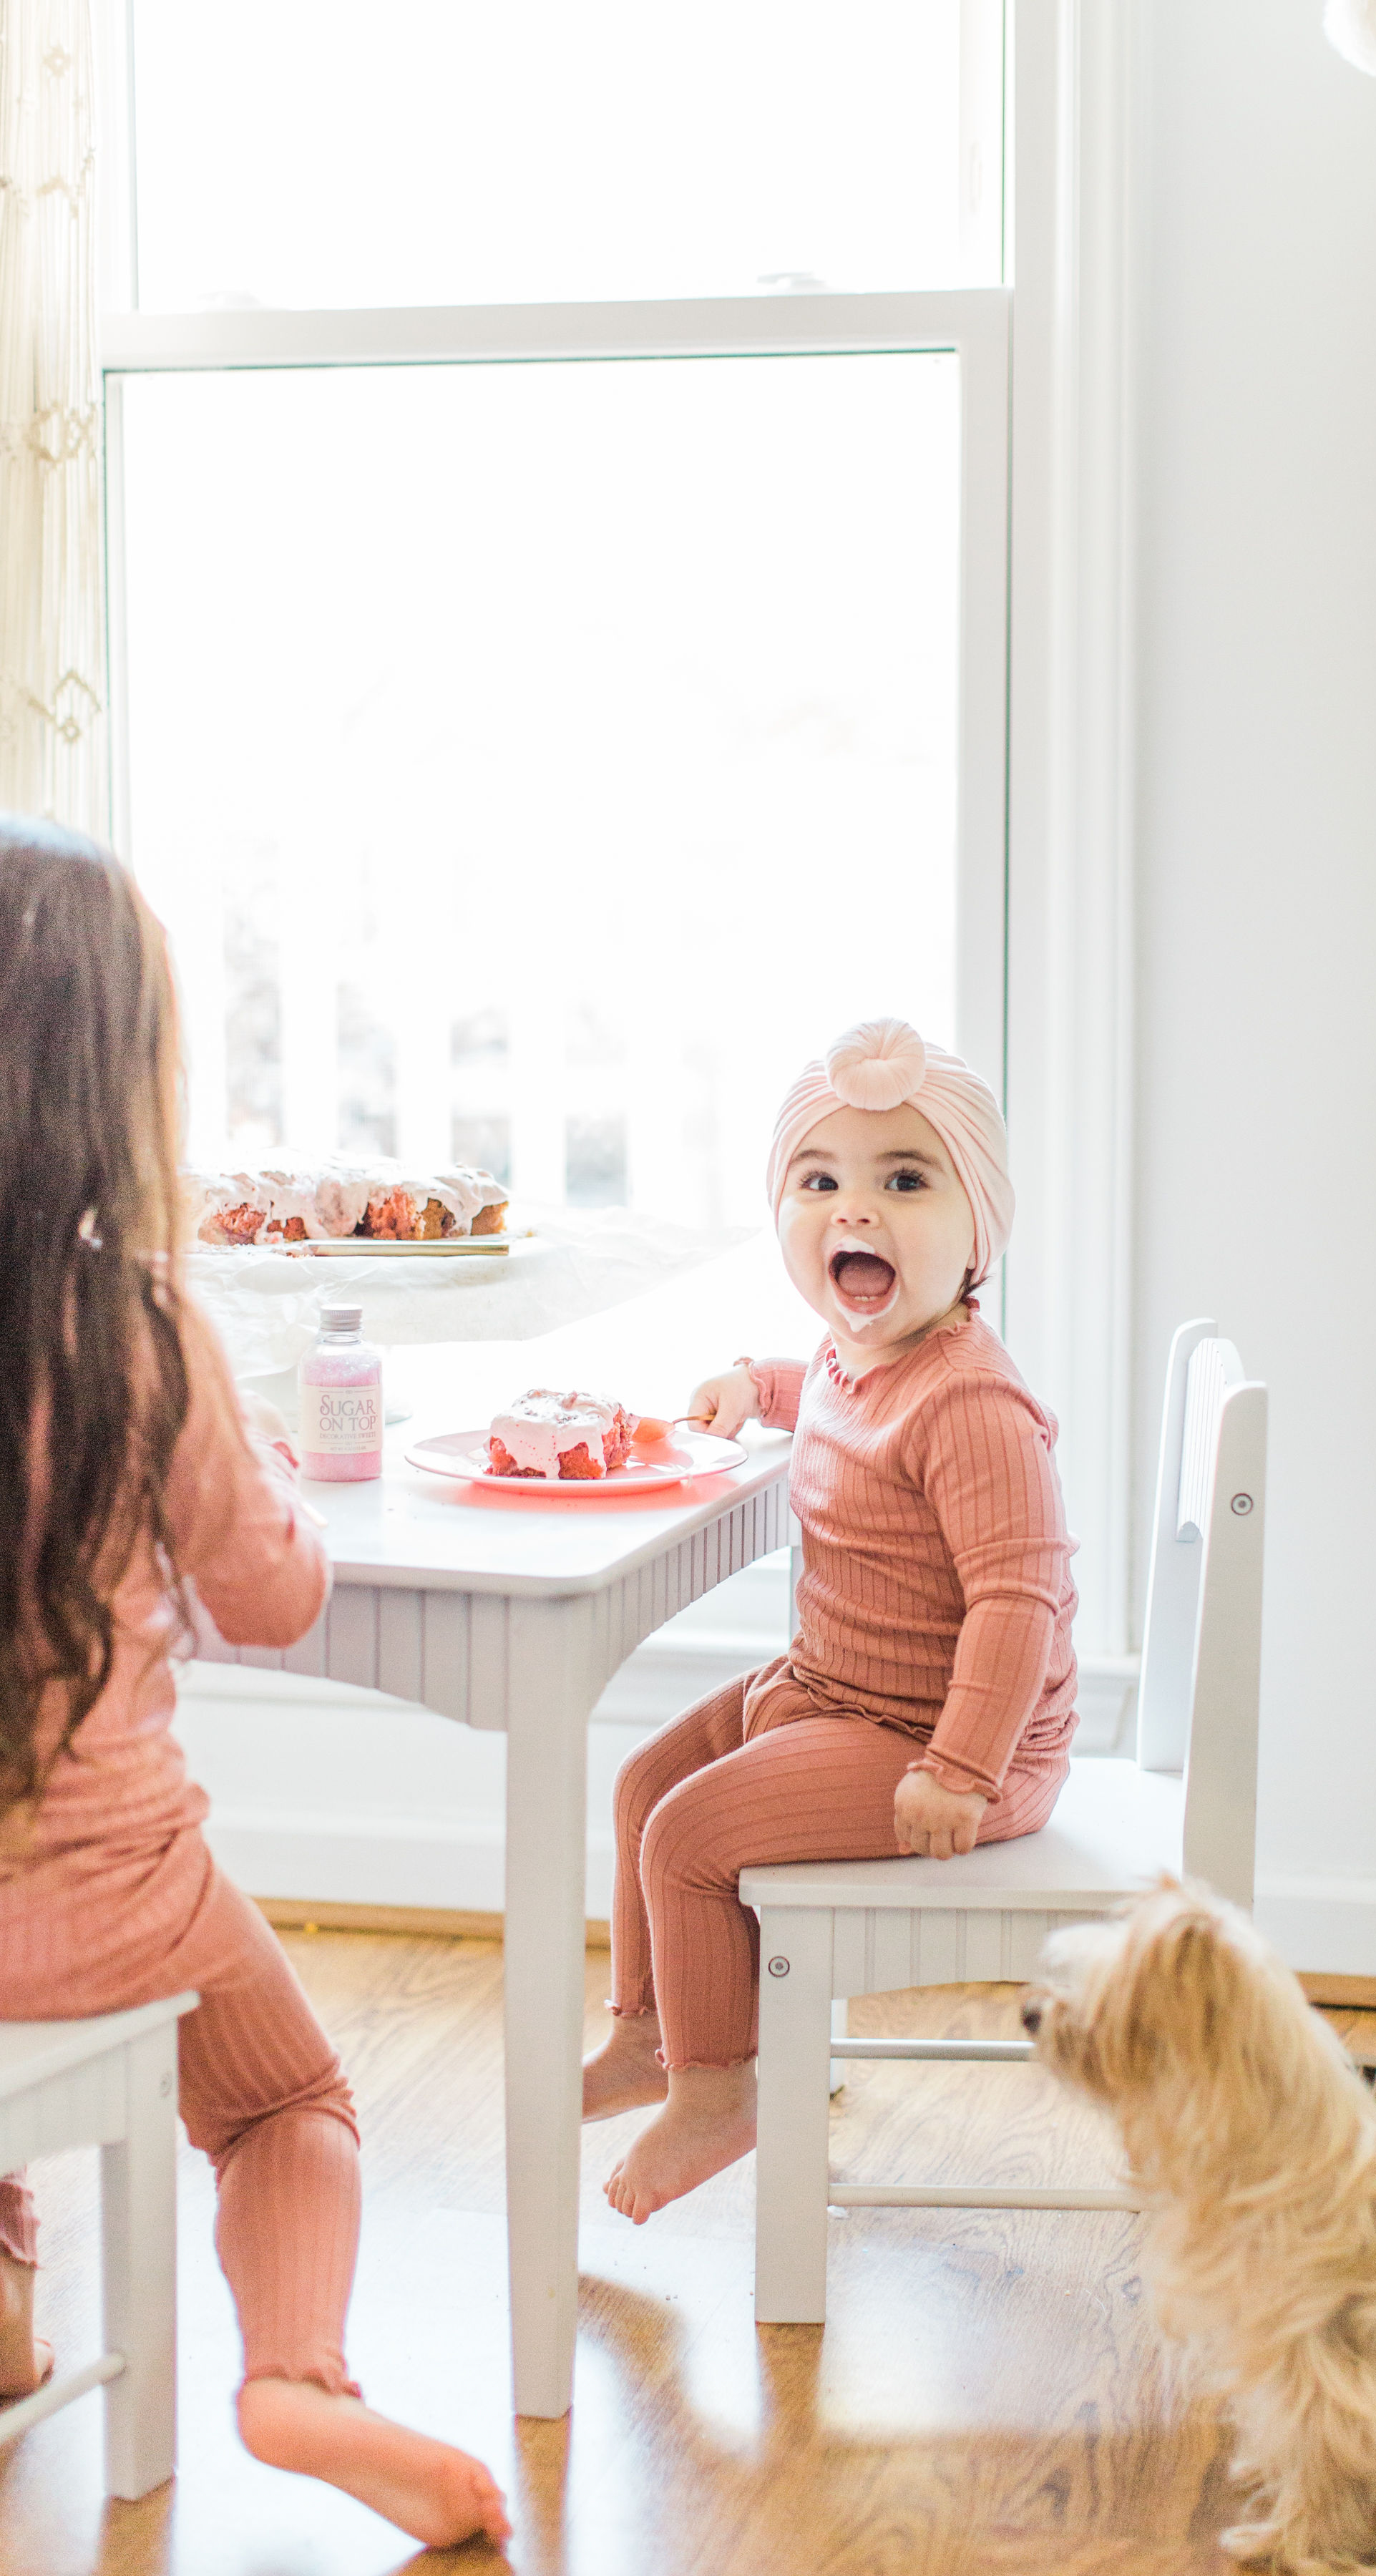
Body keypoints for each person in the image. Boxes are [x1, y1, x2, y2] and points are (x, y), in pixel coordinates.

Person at [0, 819, 509, 2552]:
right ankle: (295, 2376)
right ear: (118, 1080)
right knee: (289, 2100)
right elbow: (273, 1595)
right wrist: (267, 1465)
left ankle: (7, 2302)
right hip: (118, 1900)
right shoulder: (141, 1336)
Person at [584, 1016, 1078, 2222]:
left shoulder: (972, 1402)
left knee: (689, 1837)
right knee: (647, 1784)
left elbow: (1022, 1599)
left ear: (978, 1230)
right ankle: (653, 2032)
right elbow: (843, 1396)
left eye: (904, 1180)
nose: (853, 1209)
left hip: (952, 1740)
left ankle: (722, 2089)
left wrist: (961, 1769)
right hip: (842, 1692)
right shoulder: (867, 1354)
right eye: (821, 1181)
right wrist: (763, 1385)